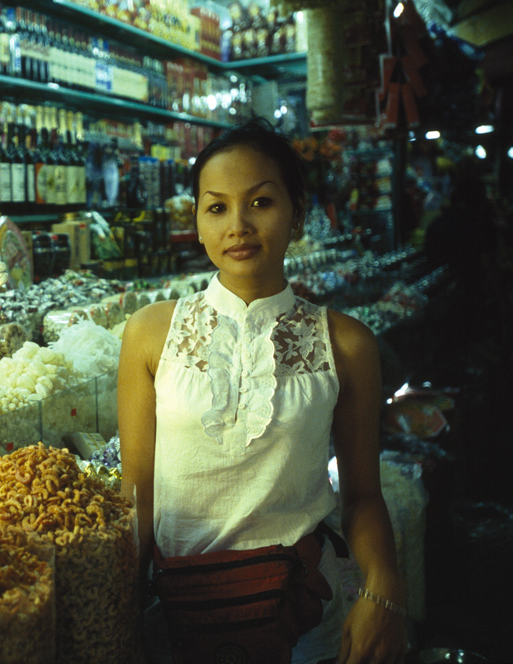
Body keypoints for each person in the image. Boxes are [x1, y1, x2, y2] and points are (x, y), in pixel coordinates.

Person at [118, 118, 406, 664]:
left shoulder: (346, 343)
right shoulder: (149, 334)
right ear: (198, 222)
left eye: (261, 203)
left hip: (301, 621)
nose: (238, 226)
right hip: (181, 617)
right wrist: (120, 607)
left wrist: (385, 590)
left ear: (297, 214)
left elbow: (364, 496)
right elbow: (137, 496)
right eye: (217, 207)